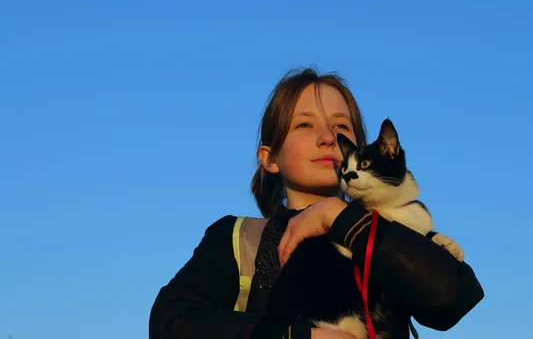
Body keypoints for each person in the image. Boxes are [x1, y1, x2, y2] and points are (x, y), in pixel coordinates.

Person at [148, 68, 484, 339]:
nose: (326, 137)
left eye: (340, 126)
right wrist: (296, 336)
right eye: (304, 124)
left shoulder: (388, 230)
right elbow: (170, 323)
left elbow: (453, 298)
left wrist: (341, 218)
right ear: (269, 157)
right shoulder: (237, 236)